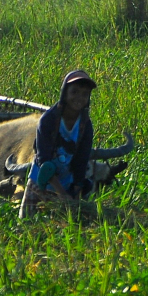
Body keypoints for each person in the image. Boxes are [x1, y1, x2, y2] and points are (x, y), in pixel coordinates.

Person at [20, 70, 98, 218]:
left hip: (66, 180)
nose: (79, 98)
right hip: (41, 179)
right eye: (74, 92)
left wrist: (75, 190)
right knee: (26, 222)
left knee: (72, 223)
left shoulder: (85, 125)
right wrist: (61, 193)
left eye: (84, 94)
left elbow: (81, 160)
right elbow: (44, 160)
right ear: (65, 93)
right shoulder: (48, 120)